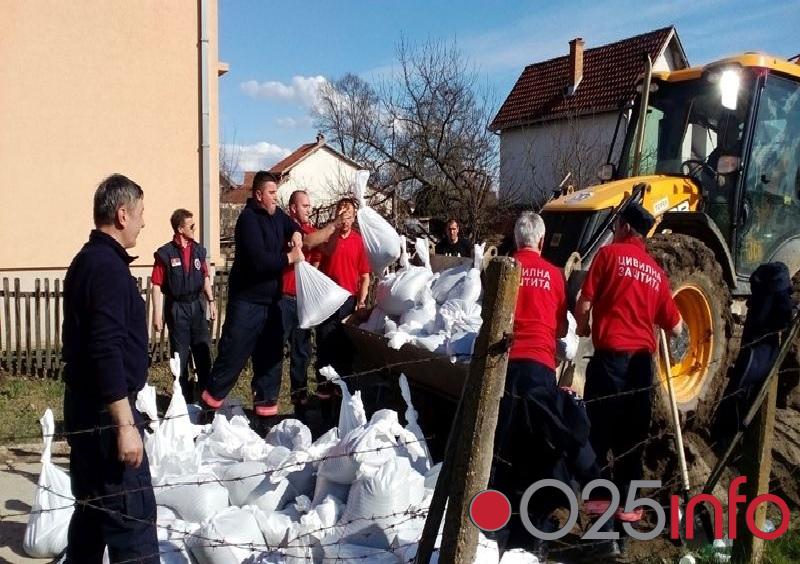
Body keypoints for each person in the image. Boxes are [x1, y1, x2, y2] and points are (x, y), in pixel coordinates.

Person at [574, 202, 683, 555]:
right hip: (642, 371)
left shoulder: (608, 256)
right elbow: (678, 327)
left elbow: (584, 304)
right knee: (630, 447)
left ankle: (600, 527)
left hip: (610, 366)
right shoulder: (656, 273)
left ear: (622, 226)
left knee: (595, 441)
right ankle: (624, 530)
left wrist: (584, 327)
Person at [61, 173, 158, 563]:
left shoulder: (87, 261)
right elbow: (104, 349)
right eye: (140, 214)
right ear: (122, 214)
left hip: (87, 409)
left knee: (92, 519)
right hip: (106, 415)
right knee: (131, 525)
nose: (142, 222)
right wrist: (124, 424)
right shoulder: (105, 268)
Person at [491, 211, 569, 557]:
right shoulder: (554, 275)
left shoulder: (502, 269)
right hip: (539, 368)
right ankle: (528, 532)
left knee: (502, 446)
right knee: (536, 449)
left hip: (504, 368)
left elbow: (488, 314)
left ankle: (495, 522)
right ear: (541, 240)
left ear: (516, 239)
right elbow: (562, 329)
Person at [200, 171, 304, 418]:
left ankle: (265, 418)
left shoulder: (277, 215)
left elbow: (291, 225)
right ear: (258, 195)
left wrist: (296, 233)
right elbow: (259, 262)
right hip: (247, 303)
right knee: (232, 357)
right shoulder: (247, 220)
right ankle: (208, 409)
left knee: (270, 361)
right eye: (271, 193)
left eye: (276, 193)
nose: (275, 198)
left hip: (272, 303)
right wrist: (289, 257)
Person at [272, 189, 341, 416]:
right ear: (293, 208)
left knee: (301, 354)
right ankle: (268, 399)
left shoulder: (311, 229)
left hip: (303, 302)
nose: (309, 210)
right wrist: (332, 225)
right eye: (305, 206)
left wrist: (340, 228)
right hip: (284, 299)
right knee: (274, 352)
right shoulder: (286, 230)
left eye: (310, 206)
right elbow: (309, 243)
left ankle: (299, 401)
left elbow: (325, 248)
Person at [151, 209, 216, 404]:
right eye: (191, 226)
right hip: (177, 307)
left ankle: (206, 397)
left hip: (196, 305)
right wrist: (156, 314)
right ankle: (184, 400)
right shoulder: (165, 254)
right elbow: (156, 284)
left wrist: (211, 301)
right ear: (180, 229)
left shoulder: (198, 250)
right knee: (180, 355)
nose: (194, 229)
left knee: (202, 351)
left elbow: (205, 277)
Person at [315, 197, 371, 400]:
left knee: (343, 347)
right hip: (327, 299)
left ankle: (343, 392)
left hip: (348, 301)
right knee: (324, 344)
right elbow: (316, 267)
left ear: (354, 217)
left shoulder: (358, 241)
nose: (345, 218)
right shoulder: (328, 239)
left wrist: (361, 301)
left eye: (348, 214)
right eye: (341, 213)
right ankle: (324, 391)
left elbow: (365, 276)